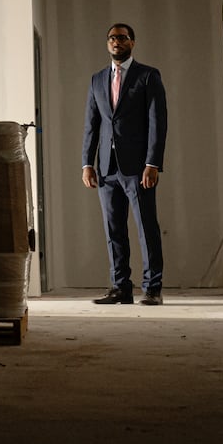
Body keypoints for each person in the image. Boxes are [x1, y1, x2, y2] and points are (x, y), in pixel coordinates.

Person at [80, 23, 168, 306]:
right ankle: (121, 288)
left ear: (132, 43)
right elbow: (91, 125)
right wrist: (87, 163)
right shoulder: (97, 80)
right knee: (113, 229)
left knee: (146, 228)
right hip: (106, 168)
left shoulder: (147, 76)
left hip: (138, 168)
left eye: (122, 37)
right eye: (112, 38)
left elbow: (158, 122)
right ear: (107, 44)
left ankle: (152, 288)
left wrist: (152, 163)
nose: (117, 42)